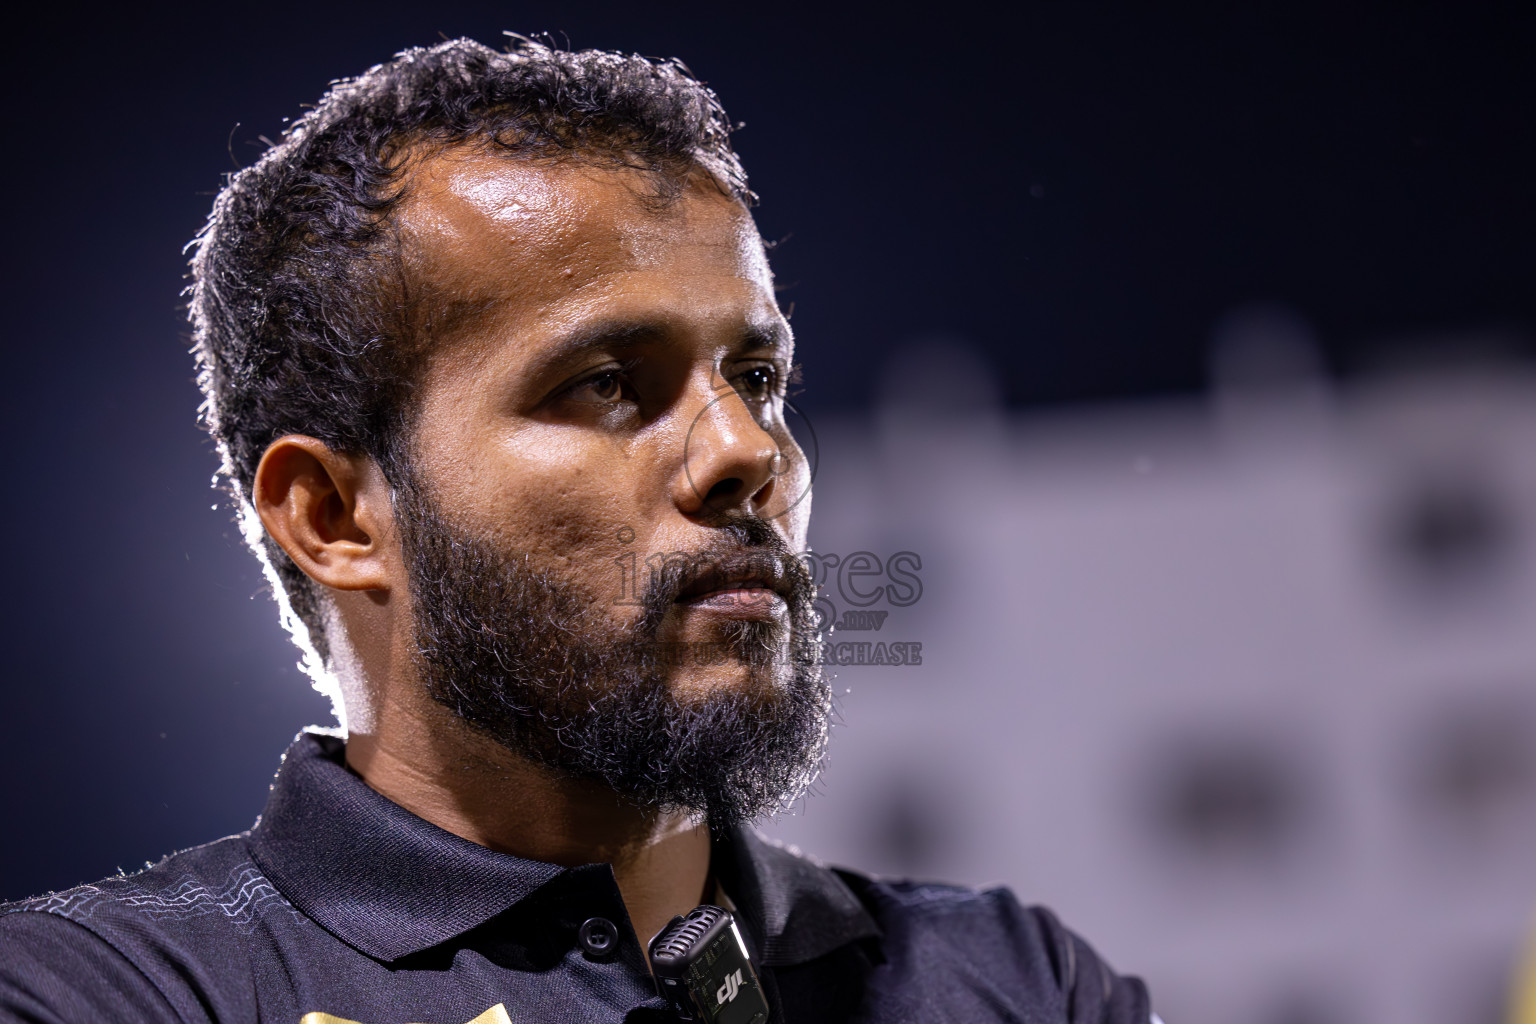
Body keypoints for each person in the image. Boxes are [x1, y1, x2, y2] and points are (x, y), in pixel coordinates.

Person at [0, 36, 1154, 1024]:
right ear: (336, 514)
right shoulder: (98, 995)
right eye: (607, 382)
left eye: (757, 375)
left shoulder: (1007, 983)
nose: (750, 451)